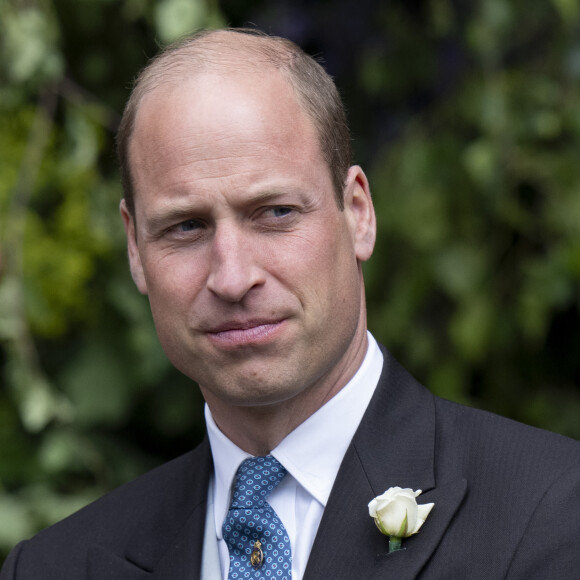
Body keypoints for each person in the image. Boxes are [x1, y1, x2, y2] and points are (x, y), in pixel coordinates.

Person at [2, 28, 580, 580]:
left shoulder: (552, 514)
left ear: (357, 213)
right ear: (135, 248)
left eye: (275, 213)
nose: (232, 277)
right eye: (185, 226)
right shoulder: (57, 568)